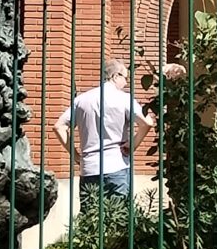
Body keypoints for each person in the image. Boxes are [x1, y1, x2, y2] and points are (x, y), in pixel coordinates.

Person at [56, 57, 150, 206]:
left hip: (89, 168)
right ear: (115, 76)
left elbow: (59, 126)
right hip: (117, 165)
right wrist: (132, 145)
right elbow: (146, 123)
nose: (126, 83)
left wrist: (76, 156)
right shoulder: (124, 98)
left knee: (90, 220)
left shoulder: (82, 99)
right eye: (125, 78)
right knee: (119, 219)